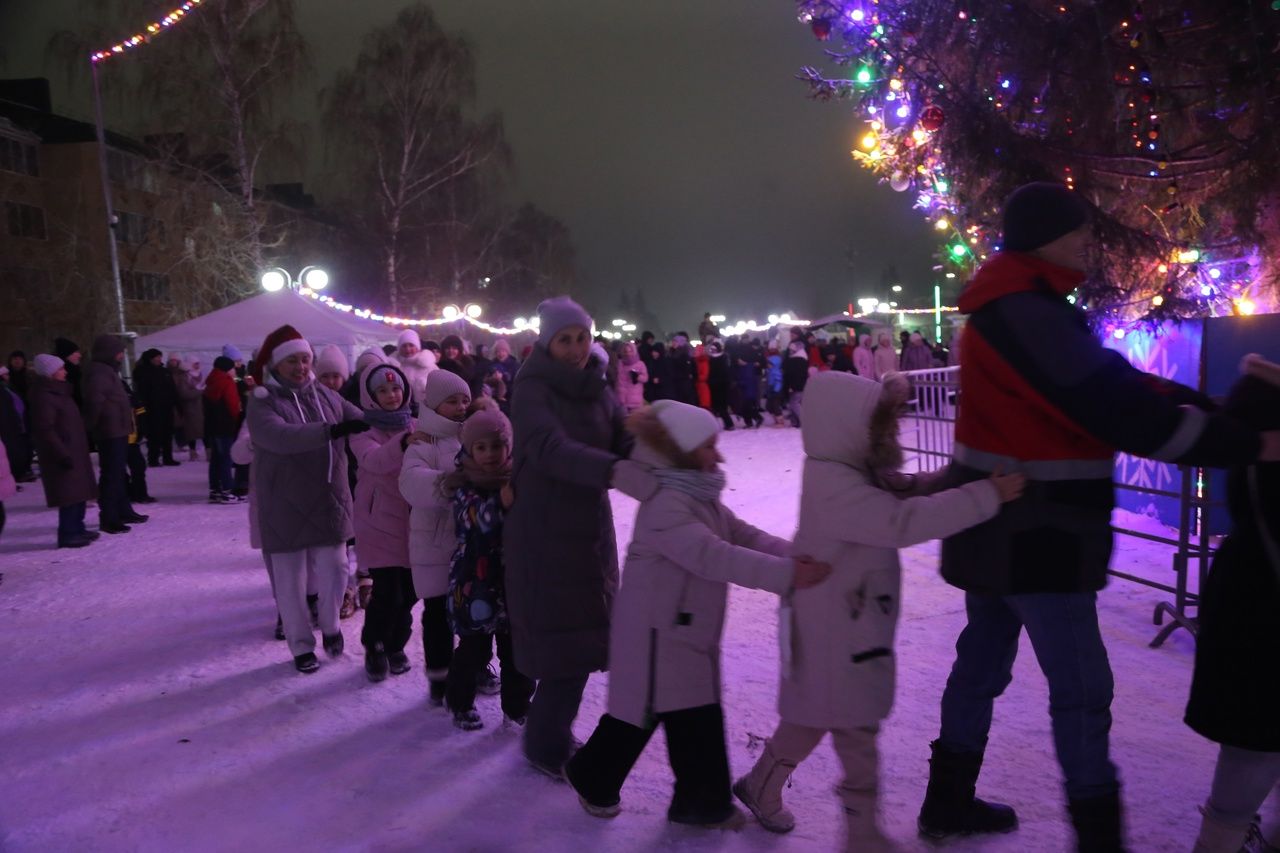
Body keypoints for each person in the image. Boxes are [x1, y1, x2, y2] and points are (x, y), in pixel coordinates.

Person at [919, 182, 1280, 850]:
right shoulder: (1028, 311)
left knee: (982, 660)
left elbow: (1112, 379)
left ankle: (947, 800)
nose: (1091, 239)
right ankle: (1099, 838)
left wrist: (1199, 404)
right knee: (1082, 688)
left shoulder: (1015, 306)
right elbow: (1111, 405)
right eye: (1080, 230)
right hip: (1039, 534)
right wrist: (1248, 441)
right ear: (1045, 236)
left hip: (996, 528)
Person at [732, 371, 1023, 849]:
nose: (889, 437)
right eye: (880, 428)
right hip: (832, 631)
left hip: (835, 623)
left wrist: (949, 478)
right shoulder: (835, 484)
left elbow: (898, 492)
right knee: (856, 729)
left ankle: (760, 784)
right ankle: (862, 833)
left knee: (813, 716)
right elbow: (898, 521)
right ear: (847, 428)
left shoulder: (844, 469)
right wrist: (984, 495)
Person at [565, 400, 831, 826]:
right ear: (682, 452)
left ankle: (697, 801)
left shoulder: (696, 492)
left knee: (689, 715)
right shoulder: (668, 505)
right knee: (650, 716)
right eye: (709, 446)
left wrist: (792, 554)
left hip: (680, 629)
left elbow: (739, 533)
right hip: (656, 634)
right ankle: (598, 777)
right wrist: (788, 575)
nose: (719, 455)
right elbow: (714, 556)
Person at [505, 296, 656, 778]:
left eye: (582, 338)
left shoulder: (596, 385)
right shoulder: (531, 388)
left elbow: (620, 436)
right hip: (545, 528)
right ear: (546, 343)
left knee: (584, 637)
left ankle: (547, 736)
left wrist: (661, 455)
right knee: (563, 648)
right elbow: (549, 447)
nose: (575, 349)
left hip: (588, 526)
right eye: (565, 340)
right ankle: (545, 746)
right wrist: (614, 470)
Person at [1185, 354, 1280, 852]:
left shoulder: (1254, 433)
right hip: (1267, 624)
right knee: (1256, 751)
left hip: (1246, 602)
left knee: (1252, 748)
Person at [246, 324, 370, 674]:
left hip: (329, 496)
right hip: (284, 502)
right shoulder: (263, 402)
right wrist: (330, 431)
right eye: (292, 362)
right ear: (276, 365)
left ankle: (330, 626)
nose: (301, 367)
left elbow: (359, 419)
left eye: (305, 360)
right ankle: (301, 644)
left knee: (336, 568)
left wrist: (396, 415)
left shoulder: (327, 396)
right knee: (290, 580)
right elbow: (277, 436)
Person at [441, 403, 535, 730]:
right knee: (474, 649)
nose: (490, 454)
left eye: (498, 446)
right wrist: (501, 503)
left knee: (517, 652)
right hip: (475, 581)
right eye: (481, 447)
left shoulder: (517, 479)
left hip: (514, 580)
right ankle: (459, 701)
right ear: (469, 449)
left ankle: (518, 705)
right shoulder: (464, 484)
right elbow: (474, 520)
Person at [400, 369, 473, 705]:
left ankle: (475, 666)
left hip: (469, 541)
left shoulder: (471, 435)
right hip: (432, 542)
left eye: (464, 400)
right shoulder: (422, 441)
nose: (460, 407)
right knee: (438, 613)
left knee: (475, 610)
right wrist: (449, 483)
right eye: (452, 401)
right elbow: (411, 483)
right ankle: (440, 674)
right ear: (433, 405)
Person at [350, 362, 420, 682]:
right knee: (388, 593)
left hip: (414, 521)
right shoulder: (363, 430)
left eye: (395, 388)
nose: (392, 395)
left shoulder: (416, 424)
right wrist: (404, 442)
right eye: (382, 390)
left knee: (410, 593)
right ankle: (375, 644)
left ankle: (396, 644)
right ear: (370, 395)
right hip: (378, 523)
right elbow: (375, 461)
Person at [29, 354, 99, 549]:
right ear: (50, 373)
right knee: (69, 494)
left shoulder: (59, 392)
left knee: (79, 491)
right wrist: (61, 452)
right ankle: (68, 533)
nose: (65, 371)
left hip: (73, 449)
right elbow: (45, 429)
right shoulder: (45, 396)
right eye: (60, 369)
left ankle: (77, 527)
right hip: (62, 453)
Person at [83, 334, 145, 534]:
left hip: (118, 429)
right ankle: (109, 517)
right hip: (110, 432)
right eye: (119, 352)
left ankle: (123, 510)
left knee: (119, 474)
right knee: (112, 474)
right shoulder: (100, 373)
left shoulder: (108, 371)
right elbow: (94, 403)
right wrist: (92, 428)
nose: (121, 356)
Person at [203, 356, 243, 504]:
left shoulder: (211, 381)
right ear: (227, 368)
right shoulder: (227, 382)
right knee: (226, 457)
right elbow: (233, 405)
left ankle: (215, 490)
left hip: (212, 425)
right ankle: (227, 490)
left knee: (216, 459)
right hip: (225, 425)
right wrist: (236, 418)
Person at [134, 348, 180, 467]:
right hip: (152, 408)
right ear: (150, 359)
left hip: (166, 407)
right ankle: (153, 458)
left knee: (167, 433)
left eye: (160, 357)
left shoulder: (164, 371)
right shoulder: (143, 372)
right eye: (156, 357)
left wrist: (175, 402)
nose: (159, 359)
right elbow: (142, 391)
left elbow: (172, 388)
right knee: (155, 434)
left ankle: (167, 457)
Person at [393, 329, 437, 408]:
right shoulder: (393, 365)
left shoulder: (428, 365)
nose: (408, 349)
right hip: (399, 409)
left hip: (427, 409)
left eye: (411, 345)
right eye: (404, 346)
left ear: (417, 347)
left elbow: (440, 387)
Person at [172, 355, 204, 462]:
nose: (197, 366)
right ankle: (192, 452)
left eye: (198, 363)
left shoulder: (200, 374)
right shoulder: (184, 377)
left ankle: (208, 452)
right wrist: (199, 391)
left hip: (201, 408)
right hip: (190, 409)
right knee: (192, 432)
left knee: (205, 431)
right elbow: (184, 394)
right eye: (195, 364)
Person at [705, 339, 733, 431]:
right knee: (717, 406)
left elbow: (723, 373)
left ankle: (728, 424)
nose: (712, 351)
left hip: (720, 386)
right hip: (715, 385)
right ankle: (725, 424)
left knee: (720, 406)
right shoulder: (714, 359)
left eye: (713, 349)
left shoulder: (719, 359)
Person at [614, 341, 648, 415]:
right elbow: (618, 379)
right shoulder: (620, 363)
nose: (628, 353)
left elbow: (645, 378)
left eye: (630, 351)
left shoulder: (640, 364)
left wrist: (637, 377)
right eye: (626, 351)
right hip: (621, 399)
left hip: (635, 400)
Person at [782, 340, 809, 428]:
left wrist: (790, 386)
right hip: (801, 384)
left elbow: (792, 374)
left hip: (796, 385)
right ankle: (796, 421)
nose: (790, 351)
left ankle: (803, 420)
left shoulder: (795, 360)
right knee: (794, 402)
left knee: (794, 403)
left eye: (791, 350)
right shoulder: (803, 359)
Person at [53, 338, 83, 410]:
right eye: (76, 352)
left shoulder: (76, 371)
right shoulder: (58, 376)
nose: (80, 355)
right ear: (67, 355)